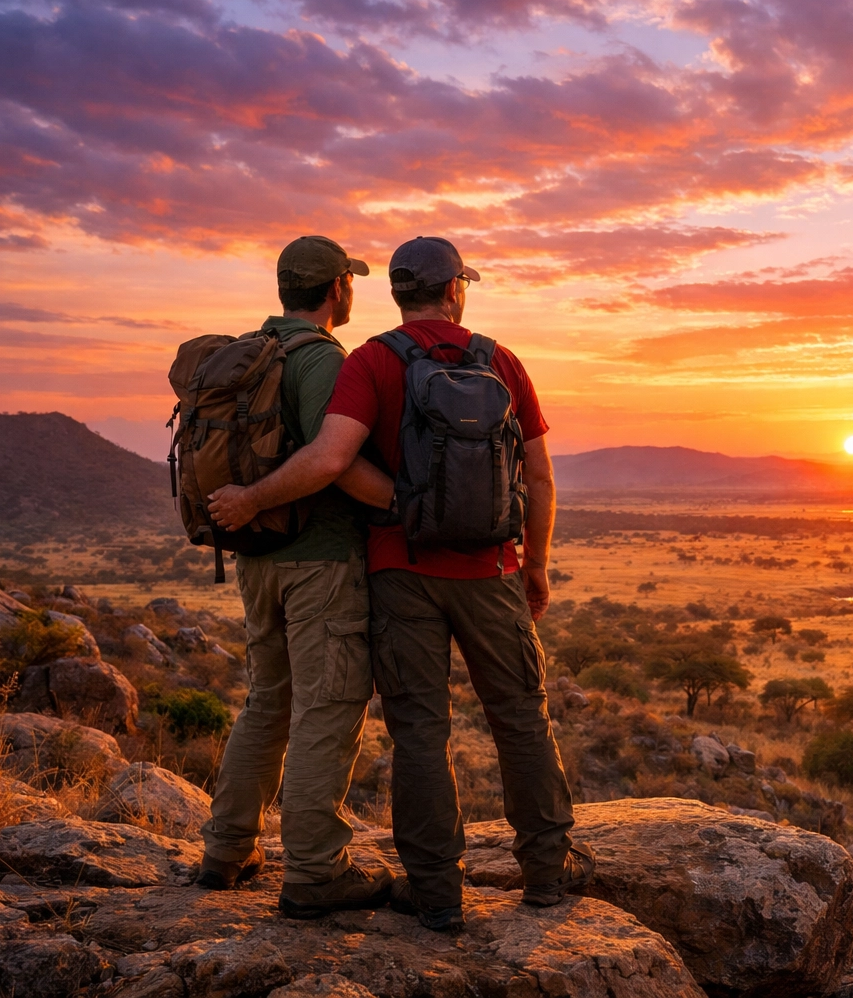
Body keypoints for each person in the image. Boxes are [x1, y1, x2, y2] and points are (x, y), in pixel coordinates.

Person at [207, 236, 590, 933]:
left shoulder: (372, 360)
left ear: (395, 294)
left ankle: (436, 891)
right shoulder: (501, 359)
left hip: (399, 569)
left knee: (420, 729)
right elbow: (539, 476)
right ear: (454, 291)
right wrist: (534, 564)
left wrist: (404, 511)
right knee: (521, 719)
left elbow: (333, 458)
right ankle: (545, 873)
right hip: (492, 571)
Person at [196, 235, 397, 920]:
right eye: (351, 281)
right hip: (319, 559)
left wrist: (249, 507)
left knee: (268, 701)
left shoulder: (255, 352)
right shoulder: (320, 360)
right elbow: (329, 459)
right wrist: (406, 503)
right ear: (339, 288)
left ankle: (227, 850)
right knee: (330, 706)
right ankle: (315, 871)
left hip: (258, 562)